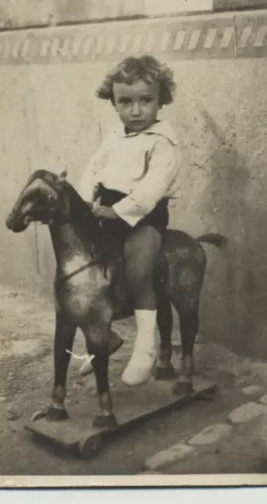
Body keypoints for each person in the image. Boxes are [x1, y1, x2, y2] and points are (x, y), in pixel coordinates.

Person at [78, 55, 181, 386]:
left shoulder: (163, 142)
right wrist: (84, 202)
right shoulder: (114, 135)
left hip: (143, 218)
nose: (136, 111)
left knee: (138, 272)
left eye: (146, 100)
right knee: (90, 271)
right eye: (126, 101)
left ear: (161, 100)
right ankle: (104, 339)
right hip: (106, 213)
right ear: (113, 101)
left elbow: (152, 189)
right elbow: (93, 168)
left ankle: (146, 347)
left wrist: (120, 212)